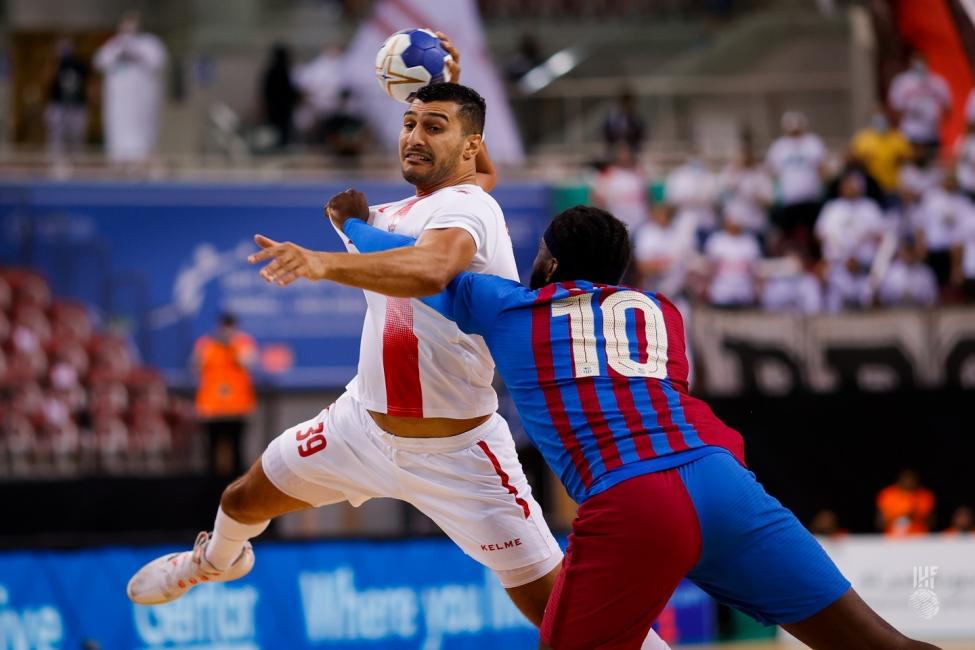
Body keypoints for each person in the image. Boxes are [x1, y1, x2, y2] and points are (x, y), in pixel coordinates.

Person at [125, 73, 658, 642]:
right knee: (240, 499)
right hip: (359, 428)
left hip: (461, 454)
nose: (414, 137)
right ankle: (215, 563)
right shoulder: (388, 215)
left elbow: (430, 268)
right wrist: (352, 222)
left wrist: (324, 260)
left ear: (470, 145)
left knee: (575, 624)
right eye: (408, 124)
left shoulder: (471, 208)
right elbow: (461, 184)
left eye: (434, 126)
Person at [308, 205, 940, 650]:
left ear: (549, 264)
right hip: (725, 482)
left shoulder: (510, 307)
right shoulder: (659, 314)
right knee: (877, 642)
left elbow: (422, 268)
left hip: (635, 497)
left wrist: (355, 225)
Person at [93, 12, 167, 164]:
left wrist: (136, 55)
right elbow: (99, 62)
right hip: (119, 102)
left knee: (142, 134)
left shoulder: (150, 43)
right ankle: (118, 162)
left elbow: (158, 62)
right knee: (118, 133)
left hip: (141, 100)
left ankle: (142, 161)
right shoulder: (114, 44)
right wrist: (120, 53)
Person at [192, 313, 257, 477]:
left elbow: (248, 362)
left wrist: (232, 346)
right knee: (211, 454)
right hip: (212, 408)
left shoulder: (242, 343)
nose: (227, 330)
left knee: (237, 452)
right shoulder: (206, 344)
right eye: (224, 326)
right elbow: (196, 366)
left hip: (237, 408)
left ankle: (238, 491)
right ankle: (211, 493)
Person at [815, 170, 887, 311]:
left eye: (853, 185)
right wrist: (843, 257)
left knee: (874, 292)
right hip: (838, 267)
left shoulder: (870, 207)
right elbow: (820, 235)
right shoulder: (832, 208)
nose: (849, 188)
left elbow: (882, 238)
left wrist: (862, 257)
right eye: (846, 185)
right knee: (833, 300)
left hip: (866, 268)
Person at [766, 111, 828, 256]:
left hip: (811, 198)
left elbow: (823, 168)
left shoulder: (813, 142)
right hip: (789, 199)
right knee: (788, 237)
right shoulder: (779, 146)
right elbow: (771, 171)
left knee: (814, 235)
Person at [887, 52, 952, 151]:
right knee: (910, 165)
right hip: (909, 134)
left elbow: (948, 108)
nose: (920, 64)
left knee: (931, 165)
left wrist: (936, 121)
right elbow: (894, 108)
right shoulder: (902, 82)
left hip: (931, 135)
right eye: (917, 61)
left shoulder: (937, 82)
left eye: (922, 61)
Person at [702, 210, 761, 308]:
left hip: (743, 292)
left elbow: (755, 270)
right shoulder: (716, 240)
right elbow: (710, 268)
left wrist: (756, 291)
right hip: (720, 291)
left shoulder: (750, 242)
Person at [849, 108, 913, 197]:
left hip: (892, 188)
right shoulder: (863, 138)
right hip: (869, 189)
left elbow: (908, 159)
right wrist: (862, 159)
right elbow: (851, 158)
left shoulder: (898, 137)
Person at [44, 38, 90, 156]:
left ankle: (78, 164)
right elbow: (46, 81)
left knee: (77, 137)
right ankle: (56, 162)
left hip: (77, 106)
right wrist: (56, 63)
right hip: (58, 105)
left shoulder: (79, 64)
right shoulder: (54, 64)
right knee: (57, 138)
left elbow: (90, 82)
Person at [590, 145, 649, 233]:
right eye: (621, 155)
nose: (624, 157)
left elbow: (646, 196)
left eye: (626, 154)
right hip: (619, 221)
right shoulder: (608, 174)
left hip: (640, 221)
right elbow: (597, 198)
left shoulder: (637, 172)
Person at [260, 43, 300, 149]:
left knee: (278, 135)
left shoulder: (272, 71)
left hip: (276, 109)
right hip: (281, 110)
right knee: (279, 135)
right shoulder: (283, 72)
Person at [876, 469, 936, 537]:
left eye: (912, 479)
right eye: (906, 478)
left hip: (919, 538)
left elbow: (932, 522)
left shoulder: (925, 495)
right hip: (893, 538)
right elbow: (879, 523)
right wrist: (897, 516)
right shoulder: (887, 494)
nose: (909, 481)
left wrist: (916, 515)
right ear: (899, 480)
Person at [603, 89, 645, 155]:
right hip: (615, 150)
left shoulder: (636, 120)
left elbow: (640, 136)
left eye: (628, 102)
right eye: (624, 102)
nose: (626, 105)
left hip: (633, 151)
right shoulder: (612, 120)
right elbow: (607, 135)